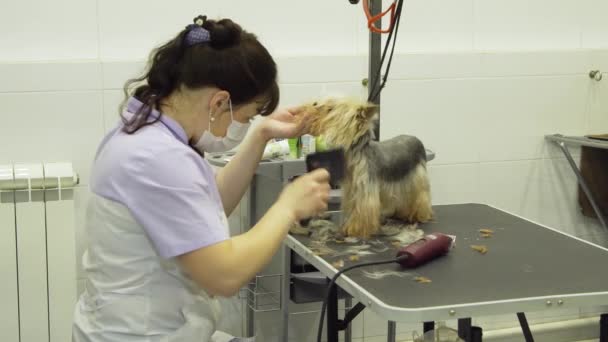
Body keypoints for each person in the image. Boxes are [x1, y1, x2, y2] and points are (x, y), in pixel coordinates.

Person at [72, 15, 331, 342]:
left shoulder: (148, 131)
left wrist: (262, 135)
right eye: (248, 117)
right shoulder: (158, 159)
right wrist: (287, 208)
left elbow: (206, 206)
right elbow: (224, 275)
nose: (242, 128)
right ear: (219, 101)